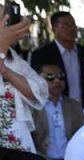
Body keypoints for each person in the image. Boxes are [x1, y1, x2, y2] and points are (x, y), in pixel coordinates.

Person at [1, 16, 47, 152]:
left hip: (17, 138)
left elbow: (39, 91)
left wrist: (6, 71)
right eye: (5, 20)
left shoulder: (12, 56)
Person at [31, 61, 84, 160]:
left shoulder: (75, 105)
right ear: (38, 81)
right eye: (50, 77)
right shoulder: (32, 107)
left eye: (60, 77)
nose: (57, 81)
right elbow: (29, 142)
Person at [31, 12, 84, 106]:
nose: (71, 28)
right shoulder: (41, 55)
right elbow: (36, 84)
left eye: (73, 25)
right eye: (65, 25)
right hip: (55, 107)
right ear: (54, 29)